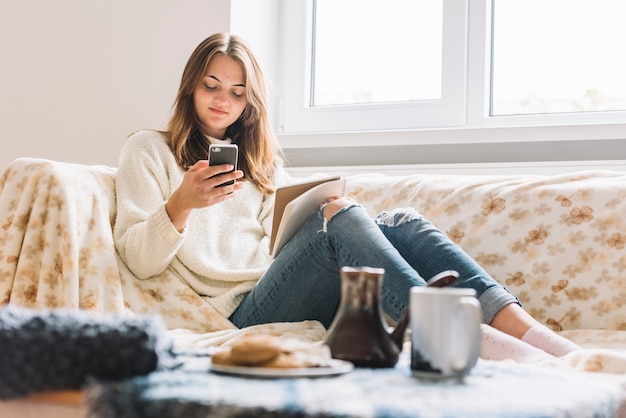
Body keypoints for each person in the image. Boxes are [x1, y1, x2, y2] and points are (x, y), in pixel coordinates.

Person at [113, 32, 580, 361]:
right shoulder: (149, 150)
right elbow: (138, 260)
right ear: (190, 86)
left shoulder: (260, 165)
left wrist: (303, 223)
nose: (222, 100)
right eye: (211, 86)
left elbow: (272, 250)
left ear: (249, 103)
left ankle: (531, 334)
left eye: (237, 92)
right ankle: (457, 336)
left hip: (283, 286)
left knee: (402, 221)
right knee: (340, 217)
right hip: (238, 312)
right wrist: (181, 205)